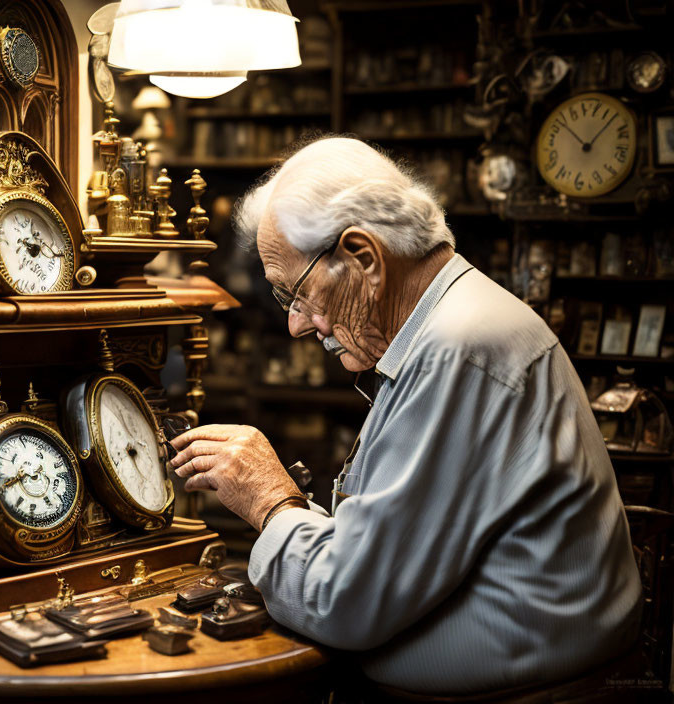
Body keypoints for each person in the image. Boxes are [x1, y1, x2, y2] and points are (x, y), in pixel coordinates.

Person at [169, 137, 642, 695]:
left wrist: (270, 501)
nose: (297, 325)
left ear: (363, 258)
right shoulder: (450, 327)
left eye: (295, 293)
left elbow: (345, 603)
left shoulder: (459, 347)